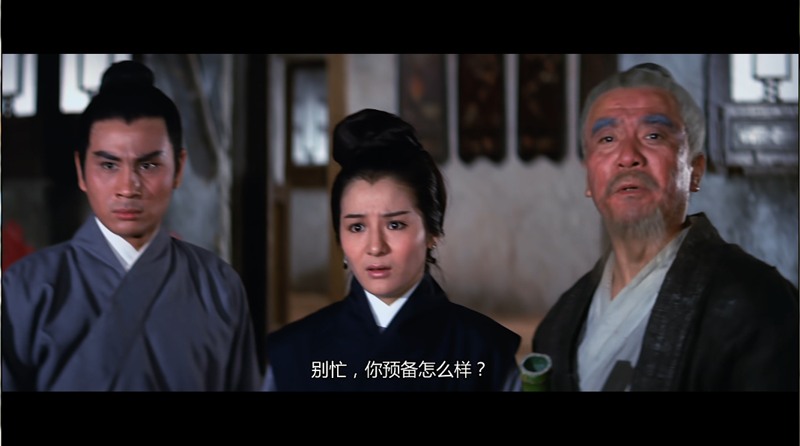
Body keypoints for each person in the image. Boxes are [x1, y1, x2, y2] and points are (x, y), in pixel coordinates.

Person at [532, 62, 799, 391]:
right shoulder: (560, 323)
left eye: (653, 136)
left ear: (695, 171)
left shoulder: (758, 302)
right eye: (607, 138)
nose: (628, 156)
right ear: (589, 178)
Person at [1, 60, 262, 391]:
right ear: (81, 171)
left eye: (148, 165)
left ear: (178, 168)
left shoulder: (219, 286)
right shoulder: (27, 287)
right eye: (109, 165)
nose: (128, 187)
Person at [263, 108, 521, 391]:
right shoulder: (294, 354)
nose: (375, 247)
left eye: (395, 225)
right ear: (339, 237)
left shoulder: (485, 352)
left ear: (432, 232)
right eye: (357, 227)